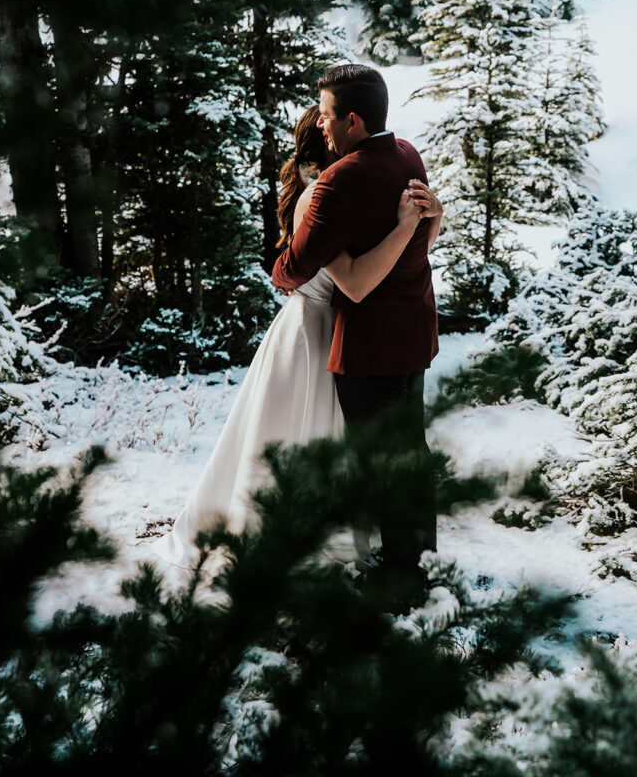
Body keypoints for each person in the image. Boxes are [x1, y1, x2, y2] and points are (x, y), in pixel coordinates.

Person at [155, 104, 440, 568]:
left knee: (338, 434)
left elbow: (400, 259)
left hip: (345, 328)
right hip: (312, 330)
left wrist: (428, 218)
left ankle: (361, 529)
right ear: (326, 141)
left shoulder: (351, 191)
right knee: (295, 430)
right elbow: (340, 277)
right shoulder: (322, 200)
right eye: (328, 126)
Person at [272, 64, 441, 588]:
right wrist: (430, 220)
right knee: (411, 448)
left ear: (352, 119)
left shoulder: (340, 180)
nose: (320, 125)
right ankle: (419, 555)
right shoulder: (407, 153)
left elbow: (290, 271)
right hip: (415, 331)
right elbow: (418, 239)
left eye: (326, 116)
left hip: (370, 347)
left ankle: (399, 573)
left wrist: (323, 254)